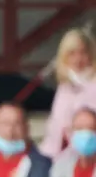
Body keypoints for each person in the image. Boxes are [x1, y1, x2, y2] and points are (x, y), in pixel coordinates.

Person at [39, 28, 96, 159]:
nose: (78, 59)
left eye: (83, 53)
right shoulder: (64, 87)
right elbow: (56, 127)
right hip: (60, 155)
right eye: (72, 54)